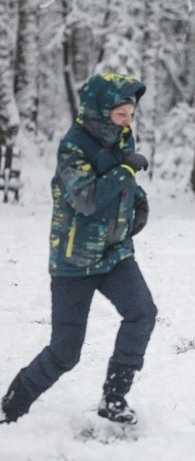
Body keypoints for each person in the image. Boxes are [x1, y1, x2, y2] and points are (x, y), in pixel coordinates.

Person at [0, 73, 157, 424]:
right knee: (65, 353)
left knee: (142, 313)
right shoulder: (74, 145)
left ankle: (114, 399)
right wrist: (124, 170)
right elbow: (86, 198)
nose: (127, 122)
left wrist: (138, 200)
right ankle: (10, 406)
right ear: (101, 111)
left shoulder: (121, 137)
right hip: (75, 260)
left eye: (130, 115)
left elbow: (122, 181)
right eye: (120, 115)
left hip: (114, 253)